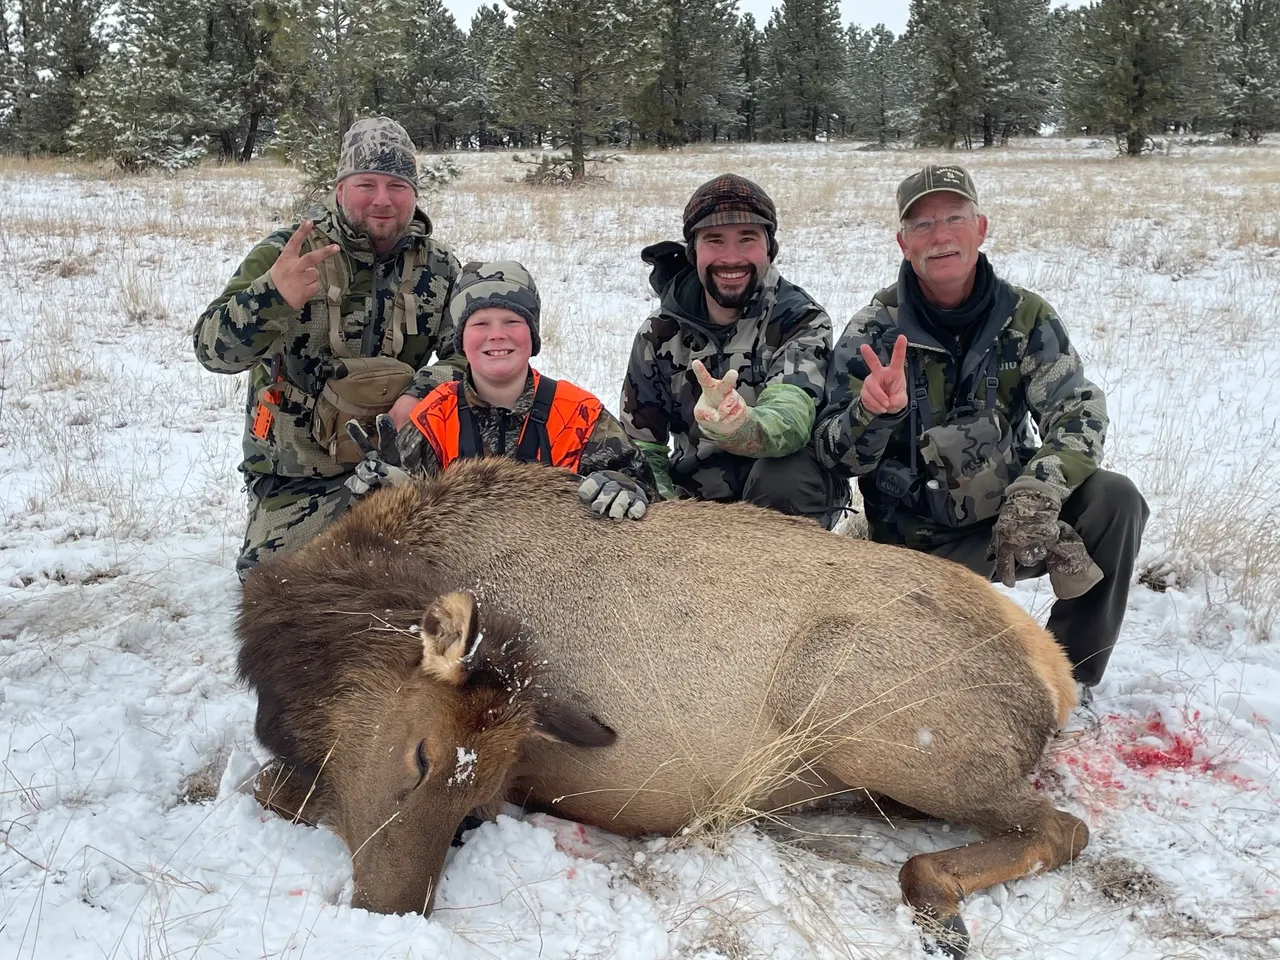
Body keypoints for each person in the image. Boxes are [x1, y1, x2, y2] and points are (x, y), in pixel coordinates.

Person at [814, 163, 1148, 688]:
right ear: (903, 243)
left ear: (981, 228)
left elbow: (1077, 409)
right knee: (924, 687)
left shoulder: (1029, 318)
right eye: (922, 225)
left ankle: (1072, 677)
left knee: (1116, 499)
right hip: (913, 540)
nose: (941, 236)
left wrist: (1038, 492)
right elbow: (835, 456)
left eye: (954, 218)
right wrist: (870, 414)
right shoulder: (873, 328)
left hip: (1013, 520)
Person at [193, 116, 462, 580]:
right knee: (287, 595)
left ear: (414, 194)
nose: (382, 199)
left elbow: (467, 357)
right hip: (300, 472)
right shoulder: (287, 253)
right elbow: (212, 352)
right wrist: (271, 298)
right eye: (366, 184)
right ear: (339, 189)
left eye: (397, 185)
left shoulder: (438, 267)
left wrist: (422, 391)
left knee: (445, 580)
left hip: (399, 462)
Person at [619, 173, 848, 528]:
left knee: (787, 475)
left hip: (781, 489)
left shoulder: (800, 319)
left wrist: (742, 427)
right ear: (693, 250)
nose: (731, 258)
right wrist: (664, 517)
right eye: (715, 240)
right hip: (695, 500)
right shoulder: (658, 333)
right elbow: (644, 447)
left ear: (770, 248)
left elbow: (793, 413)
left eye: (747, 239)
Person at [348, 260, 654, 521]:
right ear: (461, 340)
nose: (496, 335)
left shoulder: (579, 413)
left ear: (532, 336)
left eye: (512, 321)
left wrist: (624, 486)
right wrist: (384, 496)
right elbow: (392, 523)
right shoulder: (433, 417)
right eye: (480, 324)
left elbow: (645, 491)